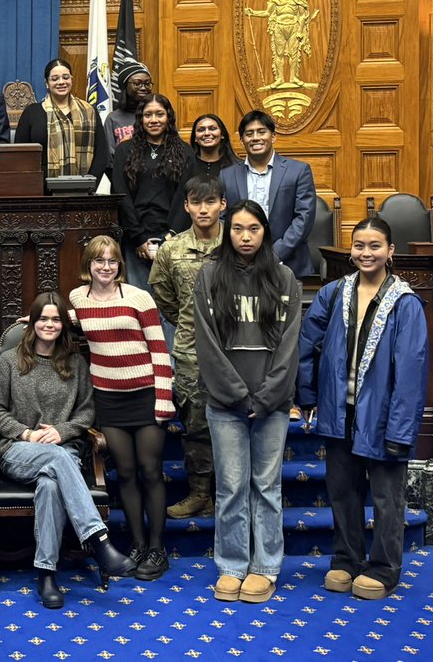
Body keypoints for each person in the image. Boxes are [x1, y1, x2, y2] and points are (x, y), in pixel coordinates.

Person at [297, 217, 428, 601]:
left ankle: (384, 567)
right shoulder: (334, 293)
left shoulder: (405, 303)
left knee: (387, 497)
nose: (365, 253)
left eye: (374, 246)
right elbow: (308, 345)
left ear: (391, 251)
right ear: (350, 250)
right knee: (343, 491)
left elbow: (411, 372)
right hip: (341, 410)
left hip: (384, 417)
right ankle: (346, 560)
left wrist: (401, 431)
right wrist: (307, 397)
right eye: (359, 245)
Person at [0, 292, 132, 609]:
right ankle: (99, 540)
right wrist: (25, 432)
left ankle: (46, 573)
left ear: (63, 325)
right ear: (33, 323)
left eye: (55, 319)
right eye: (43, 318)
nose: (49, 324)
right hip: (18, 450)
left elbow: (85, 413)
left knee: (51, 484)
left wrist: (60, 431)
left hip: (62, 450)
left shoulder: (76, 363)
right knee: (58, 459)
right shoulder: (10, 361)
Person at [193, 200, 302, 604]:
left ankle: (266, 567)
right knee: (232, 486)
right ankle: (233, 565)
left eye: (253, 229)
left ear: (264, 232)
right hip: (226, 404)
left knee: (266, 486)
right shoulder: (209, 277)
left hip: (272, 404)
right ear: (227, 232)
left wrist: (269, 395)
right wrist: (239, 396)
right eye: (237, 229)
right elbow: (206, 344)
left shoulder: (284, 277)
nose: (244, 237)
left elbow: (290, 344)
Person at [67, 236, 173, 581]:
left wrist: (163, 398)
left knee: (149, 470)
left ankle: (157, 548)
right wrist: (36, 317)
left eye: (112, 261)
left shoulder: (138, 297)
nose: (106, 267)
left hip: (145, 395)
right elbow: (71, 318)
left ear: (119, 266)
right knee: (124, 473)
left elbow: (159, 350)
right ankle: (138, 544)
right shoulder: (78, 298)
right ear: (88, 265)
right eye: (99, 261)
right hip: (108, 399)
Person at [148, 175, 227, 519]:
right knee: (195, 424)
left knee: (234, 424)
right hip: (191, 351)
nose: (203, 209)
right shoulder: (171, 249)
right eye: (196, 203)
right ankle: (199, 494)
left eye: (210, 202)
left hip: (235, 351)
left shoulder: (239, 242)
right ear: (186, 206)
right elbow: (164, 297)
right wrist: (188, 321)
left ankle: (229, 495)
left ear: (223, 204)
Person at [111, 92, 194, 289]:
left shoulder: (185, 152)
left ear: (168, 117)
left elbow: (187, 196)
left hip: (174, 239)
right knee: (141, 302)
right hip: (135, 240)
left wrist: (170, 237)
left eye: (159, 114)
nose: (154, 120)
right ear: (140, 119)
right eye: (148, 115)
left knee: (172, 305)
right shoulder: (125, 150)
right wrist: (139, 238)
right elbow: (120, 195)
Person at [220, 110, 316, 279]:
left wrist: (275, 254)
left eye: (261, 132)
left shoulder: (298, 171)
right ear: (242, 141)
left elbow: (304, 217)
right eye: (249, 134)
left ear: (273, 137)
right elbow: (222, 218)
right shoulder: (227, 176)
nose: (255, 138)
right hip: (239, 266)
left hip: (289, 264)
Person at [15, 58, 108, 181]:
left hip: (83, 188)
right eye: (54, 79)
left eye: (65, 77)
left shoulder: (89, 111)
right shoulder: (31, 113)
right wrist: (34, 186)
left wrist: (89, 184)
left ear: (71, 80)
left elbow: (101, 153)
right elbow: (21, 155)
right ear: (46, 83)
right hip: (40, 190)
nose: (61, 82)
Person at [104, 59, 152, 165]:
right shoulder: (113, 118)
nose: (143, 88)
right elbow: (109, 161)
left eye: (147, 83)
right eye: (137, 83)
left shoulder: (157, 116)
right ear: (125, 86)